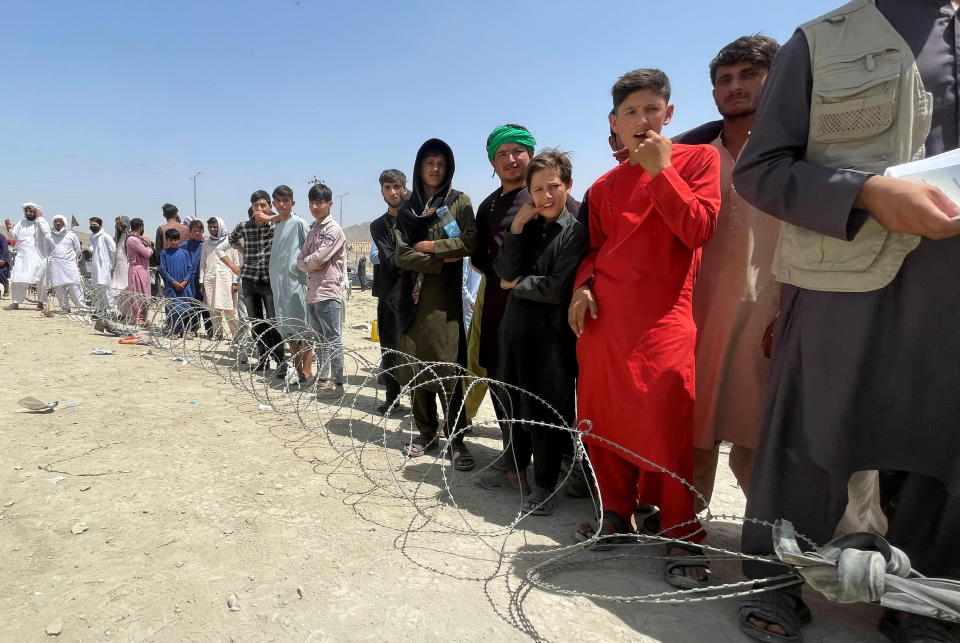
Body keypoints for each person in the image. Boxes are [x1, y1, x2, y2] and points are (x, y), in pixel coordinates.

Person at [732, 3, 960, 640]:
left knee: (942, 444)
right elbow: (761, 170)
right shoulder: (819, 43)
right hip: (845, 277)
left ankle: (924, 600)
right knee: (813, 439)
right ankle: (772, 580)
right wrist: (866, 192)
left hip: (951, 297)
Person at [570, 69, 720, 588]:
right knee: (601, 419)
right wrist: (583, 287)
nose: (642, 120)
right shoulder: (602, 187)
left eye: (651, 109)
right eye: (630, 112)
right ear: (614, 123)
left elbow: (699, 227)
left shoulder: (699, 161)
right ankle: (617, 514)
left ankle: (681, 532)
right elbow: (593, 249)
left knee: (665, 424)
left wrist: (661, 172)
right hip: (605, 321)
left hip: (663, 321)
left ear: (669, 114)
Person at [672, 35, 781, 510]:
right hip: (700, 316)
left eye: (749, 75)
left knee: (759, 445)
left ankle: (769, 551)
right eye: (725, 80)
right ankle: (686, 531)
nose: (735, 87)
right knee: (694, 434)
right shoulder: (693, 154)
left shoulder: (799, 153)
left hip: (772, 318)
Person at [472, 125, 579, 489]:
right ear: (492, 160)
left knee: (549, 396)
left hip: (549, 322)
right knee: (505, 383)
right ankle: (513, 461)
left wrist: (518, 283)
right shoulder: (489, 205)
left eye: (518, 151)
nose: (511, 158)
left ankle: (557, 470)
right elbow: (487, 258)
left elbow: (561, 277)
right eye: (502, 153)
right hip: (502, 311)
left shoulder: (565, 213)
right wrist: (514, 238)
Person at [494, 149, 588, 515]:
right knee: (514, 406)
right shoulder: (527, 227)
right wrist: (516, 227)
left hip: (551, 341)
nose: (546, 196)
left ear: (568, 186)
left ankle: (545, 486)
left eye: (553, 186)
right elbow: (503, 269)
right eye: (538, 189)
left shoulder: (576, 233)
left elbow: (557, 287)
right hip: (514, 334)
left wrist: (516, 284)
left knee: (548, 414)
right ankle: (519, 471)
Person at [394, 138, 477, 471]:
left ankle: (456, 439)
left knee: (448, 369)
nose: (435, 168)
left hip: (445, 302)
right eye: (429, 162)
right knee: (418, 369)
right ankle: (427, 433)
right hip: (412, 300)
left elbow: (470, 241)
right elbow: (401, 254)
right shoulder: (407, 207)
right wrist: (441, 259)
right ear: (419, 167)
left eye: (441, 163)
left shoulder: (458, 203)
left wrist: (429, 245)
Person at [217, 191, 284, 373]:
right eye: (256, 206)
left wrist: (272, 217)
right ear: (251, 207)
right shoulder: (243, 227)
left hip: (270, 281)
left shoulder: (277, 225)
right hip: (249, 281)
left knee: (274, 322)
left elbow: (292, 217)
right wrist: (234, 264)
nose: (259, 209)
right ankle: (263, 358)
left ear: (270, 206)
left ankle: (280, 360)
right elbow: (226, 244)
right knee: (256, 322)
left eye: (263, 205)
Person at [256, 185, 313, 382]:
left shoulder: (299, 223)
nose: (281, 205)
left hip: (295, 283)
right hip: (279, 284)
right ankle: (297, 371)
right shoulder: (277, 224)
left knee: (302, 329)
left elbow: (310, 246)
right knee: (288, 329)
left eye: (285, 201)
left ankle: (307, 371)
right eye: (278, 201)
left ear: (292, 202)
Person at [297, 182, 347, 399]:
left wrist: (308, 261)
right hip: (313, 291)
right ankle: (323, 379)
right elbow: (301, 260)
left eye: (319, 202)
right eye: (312, 203)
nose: (315, 207)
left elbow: (319, 258)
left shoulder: (332, 230)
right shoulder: (313, 230)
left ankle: (338, 383)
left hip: (328, 290)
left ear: (329, 204)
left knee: (333, 338)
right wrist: (309, 262)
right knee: (319, 339)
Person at [369, 169, 409, 415]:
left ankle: (421, 404)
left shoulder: (418, 217)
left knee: (416, 351)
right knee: (390, 347)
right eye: (387, 188)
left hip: (420, 293)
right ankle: (392, 397)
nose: (393, 192)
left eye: (397, 187)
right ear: (382, 191)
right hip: (390, 295)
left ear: (405, 187)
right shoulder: (379, 226)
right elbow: (392, 260)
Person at [200, 217, 241, 340]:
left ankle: (236, 335)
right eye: (211, 227)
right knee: (213, 308)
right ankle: (218, 333)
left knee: (229, 309)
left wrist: (235, 282)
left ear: (221, 227)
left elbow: (236, 262)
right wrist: (201, 281)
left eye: (215, 227)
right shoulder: (206, 243)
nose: (213, 229)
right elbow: (203, 263)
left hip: (226, 279)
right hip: (210, 279)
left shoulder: (230, 241)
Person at [5, 203, 50, 311]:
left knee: (41, 280)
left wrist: (40, 218)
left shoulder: (40, 222)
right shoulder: (21, 223)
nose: (28, 213)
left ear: (36, 212)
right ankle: (15, 303)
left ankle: (41, 303)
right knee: (17, 278)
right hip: (23, 256)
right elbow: (13, 237)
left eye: (31, 211)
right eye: (26, 211)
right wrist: (9, 229)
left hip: (38, 256)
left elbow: (46, 232)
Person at [43, 215, 85, 315]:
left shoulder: (71, 235)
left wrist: (69, 259)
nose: (58, 223)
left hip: (69, 265)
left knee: (74, 286)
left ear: (64, 223)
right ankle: (65, 308)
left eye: (60, 221)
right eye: (56, 221)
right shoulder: (48, 236)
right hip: (55, 265)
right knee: (59, 287)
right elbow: (46, 251)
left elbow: (78, 250)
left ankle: (82, 308)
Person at [158, 228, 194, 339]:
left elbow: (189, 268)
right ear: (167, 240)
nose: (174, 242)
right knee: (173, 309)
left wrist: (184, 282)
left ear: (179, 240)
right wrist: (174, 282)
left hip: (185, 286)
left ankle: (186, 330)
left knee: (186, 308)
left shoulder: (185, 253)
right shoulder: (164, 253)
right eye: (171, 240)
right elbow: (163, 270)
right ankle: (173, 330)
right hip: (172, 287)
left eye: (176, 240)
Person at [88, 216, 118, 322]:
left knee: (106, 290)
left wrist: (112, 265)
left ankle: (113, 311)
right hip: (96, 267)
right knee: (98, 290)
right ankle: (101, 311)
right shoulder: (92, 237)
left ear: (100, 225)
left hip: (104, 267)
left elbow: (113, 250)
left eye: (94, 225)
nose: (92, 226)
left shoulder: (105, 236)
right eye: (91, 225)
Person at [125, 218, 154, 327]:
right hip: (137, 270)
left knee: (144, 295)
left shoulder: (137, 239)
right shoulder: (132, 239)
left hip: (142, 270)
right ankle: (138, 319)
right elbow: (147, 253)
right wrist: (150, 246)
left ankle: (143, 318)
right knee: (138, 295)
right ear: (141, 227)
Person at [182, 220, 208, 336]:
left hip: (203, 279)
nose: (197, 233)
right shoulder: (184, 246)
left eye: (199, 231)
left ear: (203, 231)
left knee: (204, 304)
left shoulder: (206, 245)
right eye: (194, 231)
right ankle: (193, 328)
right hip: (189, 279)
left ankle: (210, 330)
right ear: (190, 232)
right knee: (191, 304)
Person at [153, 203, 187, 267]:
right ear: (176, 214)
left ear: (164, 215)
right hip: (184, 265)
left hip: (168, 265)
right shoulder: (186, 228)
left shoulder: (161, 229)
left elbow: (158, 251)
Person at [0, 233, 9, 298]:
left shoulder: (1, 237)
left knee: (1, 273)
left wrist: (3, 259)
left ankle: (6, 285)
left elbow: (5, 248)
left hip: (1, 259)